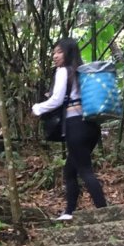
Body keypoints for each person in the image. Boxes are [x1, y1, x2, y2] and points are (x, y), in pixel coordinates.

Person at [31, 37, 107, 220]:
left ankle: (104, 211)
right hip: (92, 127)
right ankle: (69, 212)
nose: (54, 56)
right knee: (70, 171)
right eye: (54, 52)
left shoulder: (63, 71)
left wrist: (37, 108)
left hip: (76, 127)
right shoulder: (81, 72)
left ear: (68, 53)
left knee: (85, 170)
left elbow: (56, 100)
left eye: (59, 52)